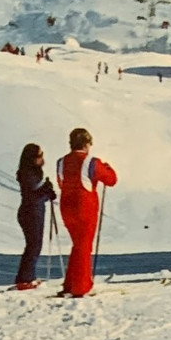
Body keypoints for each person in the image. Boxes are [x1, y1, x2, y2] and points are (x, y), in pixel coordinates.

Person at [55, 128, 118, 298]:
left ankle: (70, 283)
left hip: (66, 206)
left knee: (77, 244)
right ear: (87, 144)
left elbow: (61, 183)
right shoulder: (91, 162)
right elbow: (111, 180)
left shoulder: (61, 162)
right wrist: (107, 168)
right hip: (84, 207)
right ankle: (81, 286)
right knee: (84, 246)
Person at [14, 143, 57, 289]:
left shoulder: (32, 172)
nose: (42, 158)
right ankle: (25, 279)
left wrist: (46, 190)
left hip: (33, 211)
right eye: (39, 156)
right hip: (31, 212)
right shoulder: (28, 174)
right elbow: (33, 197)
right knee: (33, 246)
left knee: (34, 245)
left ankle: (27, 277)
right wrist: (46, 191)